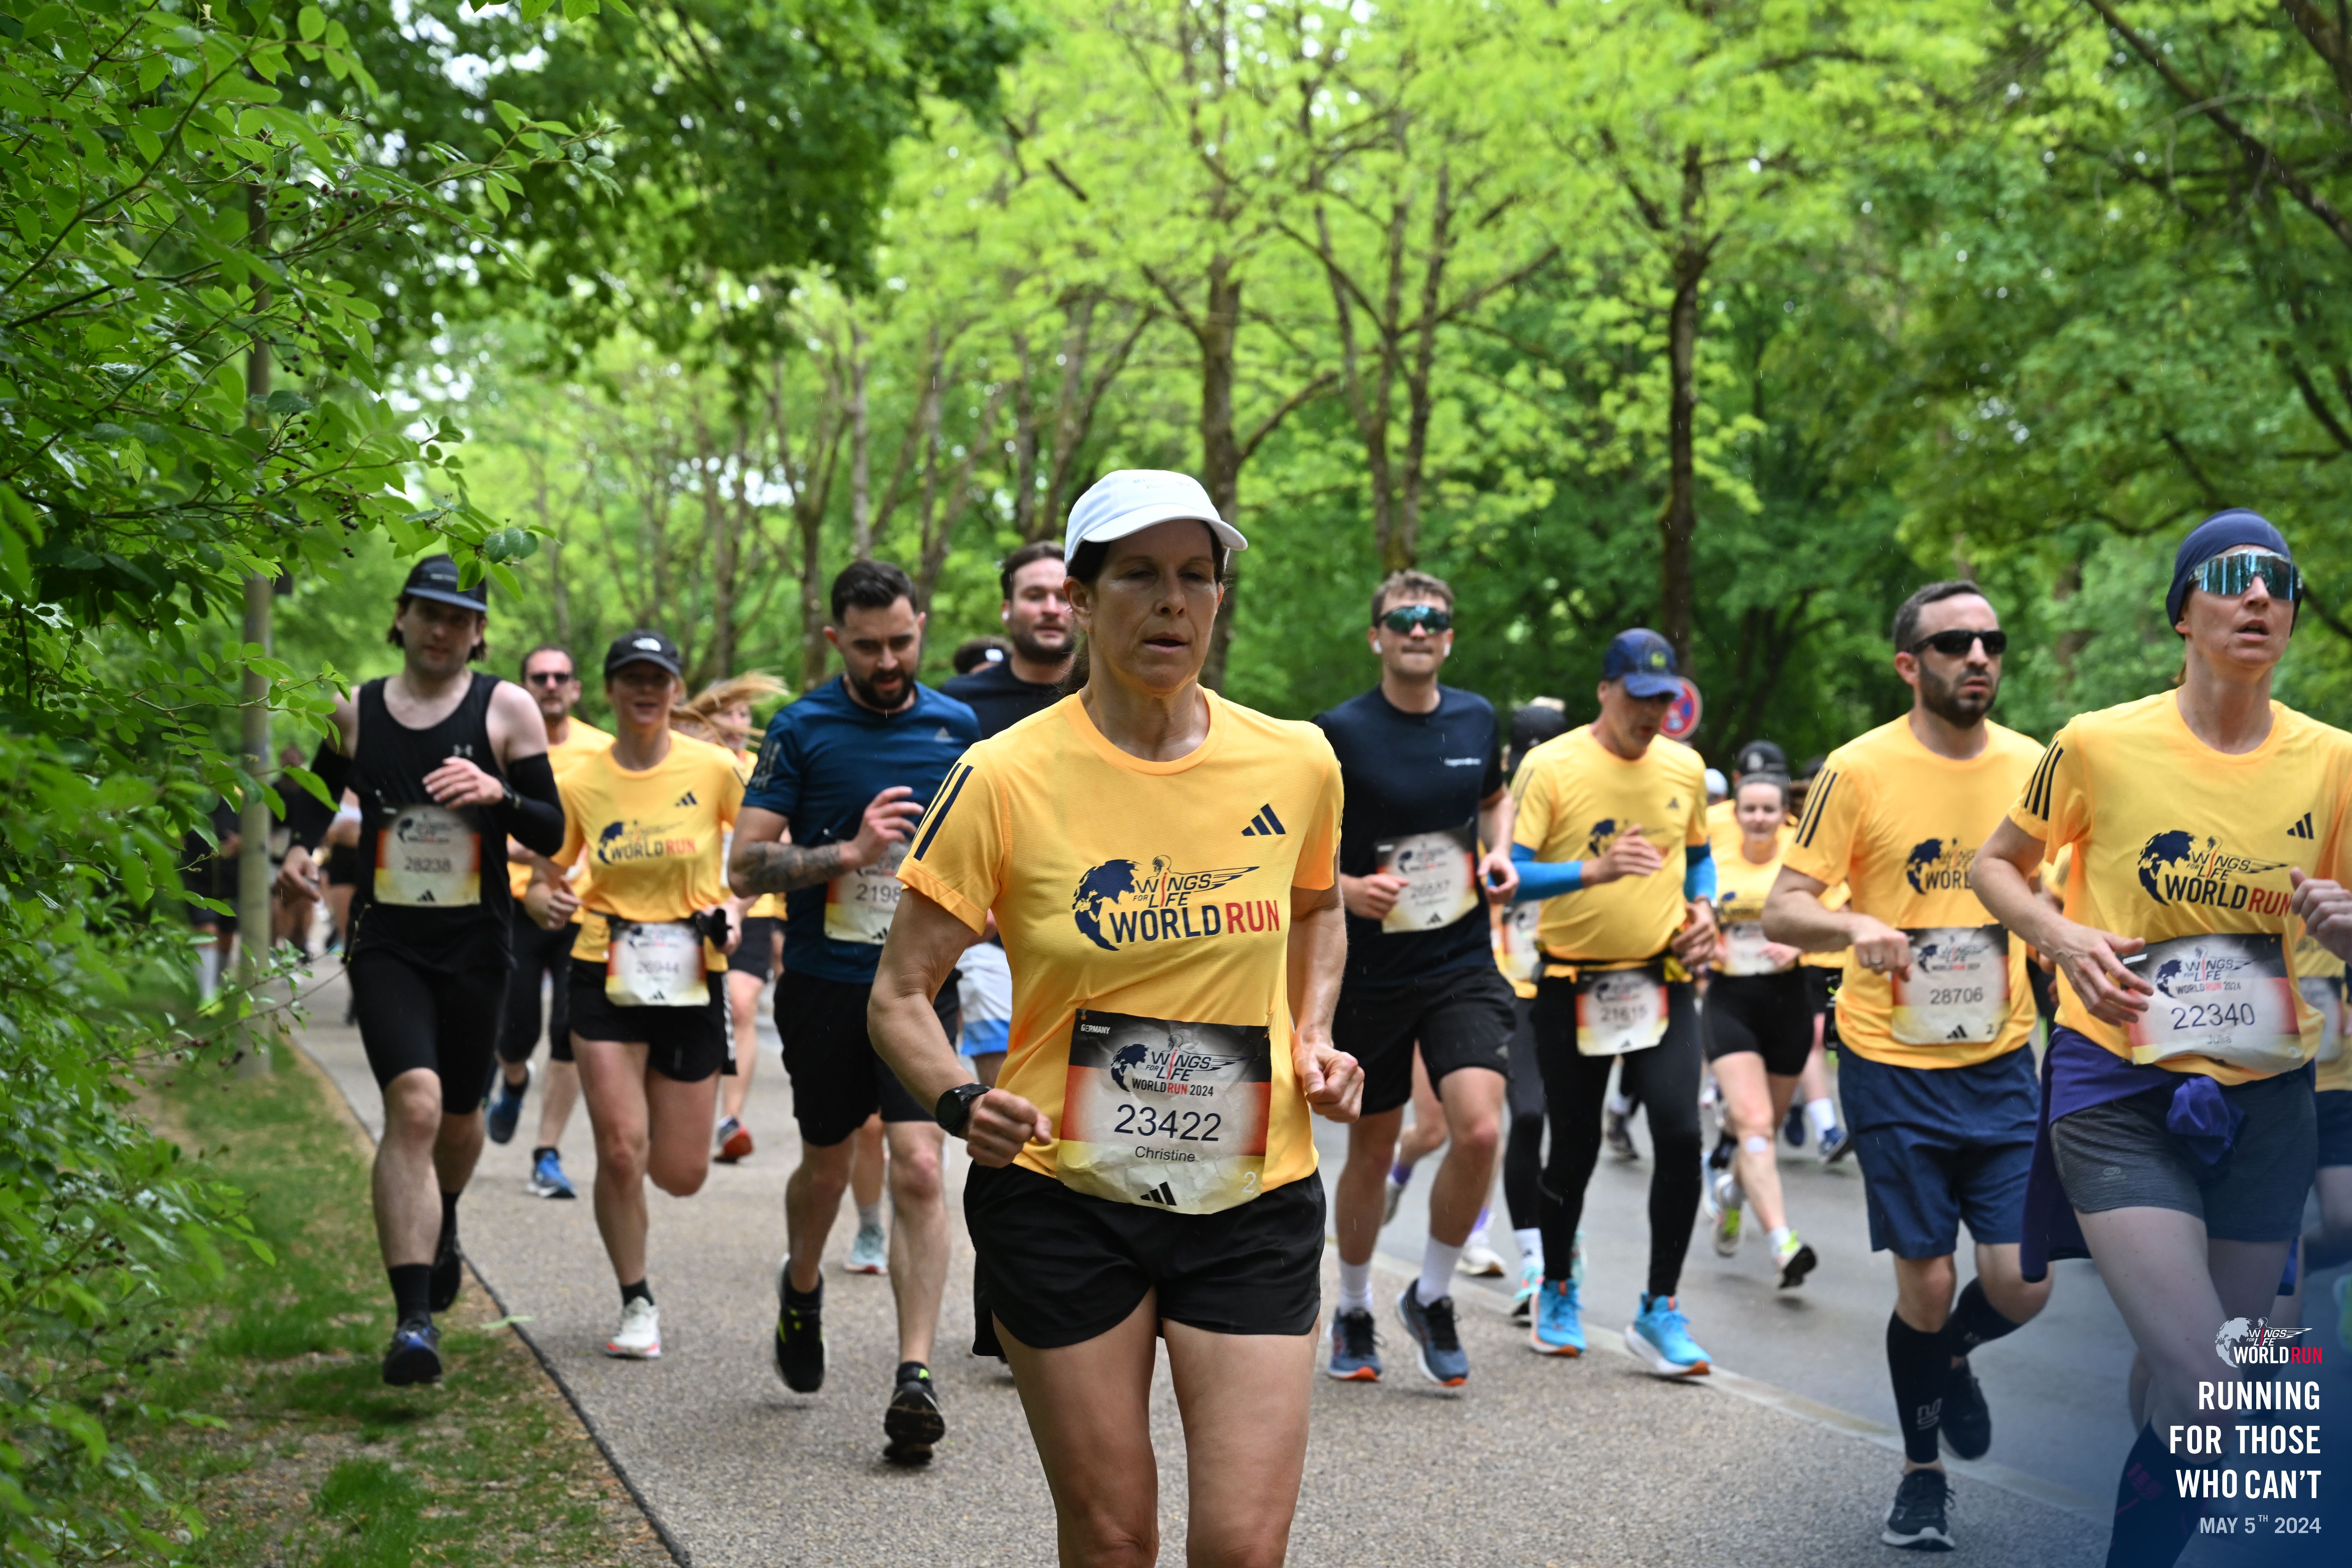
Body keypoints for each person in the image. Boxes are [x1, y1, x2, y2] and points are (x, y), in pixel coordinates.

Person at [870, 468, 1363, 1565]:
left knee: (1242, 1547)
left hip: (1251, 1191)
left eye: (1196, 575)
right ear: (1084, 601)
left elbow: (1318, 908)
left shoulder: (1296, 760)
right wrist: (960, 1101)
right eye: (1139, 574)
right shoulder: (1000, 777)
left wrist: (1314, 1033)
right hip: (1063, 1193)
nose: (1172, 600)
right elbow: (899, 993)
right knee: (1111, 1538)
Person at [1971, 512, 2352, 1566]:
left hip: (2268, 1099)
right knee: (2215, 1394)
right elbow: (1995, 866)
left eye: (2279, 581)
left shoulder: (2334, 762)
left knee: (2188, 1389)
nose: (2260, 596)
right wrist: (2060, 935)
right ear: (2183, 611)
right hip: (2118, 1083)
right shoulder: (2098, 742)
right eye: (2232, 577)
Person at [1763, 579, 2054, 1552]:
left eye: (1990, 642)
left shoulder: (2035, 766)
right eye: (1953, 643)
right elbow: (1782, 908)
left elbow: (2057, 893)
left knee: (2023, 1283)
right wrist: (1853, 925)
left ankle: (1952, 1355)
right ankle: (1921, 1473)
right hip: (1890, 1061)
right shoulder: (1858, 769)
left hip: (2001, 1059)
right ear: (1908, 664)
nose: (1977, 657)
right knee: (1924, 1285)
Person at [276, 555, 563, 1386]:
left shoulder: (506, 709)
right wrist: (297, 849)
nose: (442, 630)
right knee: (415, 1104)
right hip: (387, 944)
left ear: (478, 634)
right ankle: (412, 1322)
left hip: (476, 944)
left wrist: (498, 794)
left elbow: (551, 830)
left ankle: (445, 1219)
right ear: (401, 617)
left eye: (459, 618)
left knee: (460, 1116)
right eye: (429, 613)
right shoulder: (356, 708)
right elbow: (316, 793)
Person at [729, 559, 979, 1463]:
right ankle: (801, 1286)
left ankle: (914, 1375)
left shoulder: (957, 727)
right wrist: (850, 851)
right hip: (827, 985)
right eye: (867, 646)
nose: (887, 661)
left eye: (901, 642)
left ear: (921, 628)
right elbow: (743, 867)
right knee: (829, 1163)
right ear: (836, 639)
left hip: (920, 985)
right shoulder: (801, 728)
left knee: (920, 1165)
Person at [1314, 568, 1517, 1386]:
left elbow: (1494, 799)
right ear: (1377, 637)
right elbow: (1295, 846)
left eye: (1433, 619)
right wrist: (1347, 889)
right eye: (1402, 619)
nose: (1419, 630)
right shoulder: (1338, 733)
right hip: (1371, 970)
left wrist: (1501, 852)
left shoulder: (1475, 716)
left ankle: (1431, 1295)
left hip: (1460, 959)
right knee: (1371, 1150)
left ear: (1449, 638)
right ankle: (1354, 1307)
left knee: (1479, 1130)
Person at [527, 631, 748, 1360]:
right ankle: (635, 1300)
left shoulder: (714, 768)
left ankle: (663, 1142)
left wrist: (736, 909)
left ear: (676, 690)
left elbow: (753, 858)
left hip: (691, 969)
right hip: (604, 964)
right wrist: (546, 903)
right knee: (621, 1149)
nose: (646, 690)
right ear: (611, 690)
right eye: (632, 678)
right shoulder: (581, 781)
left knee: (680, 1174)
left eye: (659, 678)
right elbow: (543, 879)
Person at [1510, 628, 1719, 1375]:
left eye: (1663, 700)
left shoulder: (1684, 766)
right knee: (1574, 1147)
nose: (1650, 714)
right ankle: (1557, 1287)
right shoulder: (1551, 765)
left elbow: (1701, 859)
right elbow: (1509, 875)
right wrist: (1593, 872)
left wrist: (1707, 908)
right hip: (1572, 983)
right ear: (1605, 691)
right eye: (1637, 698)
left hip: (1661, 977)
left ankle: (1659, 1308)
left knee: (1682, 1134)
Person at [485, 644, 614, 1201]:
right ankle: (514, 1079)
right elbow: (486, 824)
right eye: (540, 677)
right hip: (516, 904)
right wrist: (530, 849)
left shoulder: (602, 750)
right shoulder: (502, 747)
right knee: (515, 1031)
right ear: (524, 688)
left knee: (570, 1028)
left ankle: (547, 1153)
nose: (552, 685)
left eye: (562, 676)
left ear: (577, 689)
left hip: (583, 907)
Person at [1701, 772, 1818, 1288]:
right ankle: (1783, 1243)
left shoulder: (1802, 857)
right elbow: (1682, 907)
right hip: (1730, 1003)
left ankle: (1731, 1195)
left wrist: (1800, 942)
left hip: (1788, 1003)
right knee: (1753, 1123)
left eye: (1769, 810)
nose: (1759, 819)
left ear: (1783, 813)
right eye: (1749, 809)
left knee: (1762, 1129)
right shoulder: (1715, 854)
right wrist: (1704, 937)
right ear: (1736, 811)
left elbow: (1836, 912)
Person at [673, 671, 791, 1163]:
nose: (740, 723)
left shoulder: (763, 772)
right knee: (688, 1011)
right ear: (707, 721)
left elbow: (783, 843)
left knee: (741, 1005)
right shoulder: (687, 768)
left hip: (751, 907)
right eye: (729, 714)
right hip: (687, 908)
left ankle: (731, 1119)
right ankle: (683, 1113)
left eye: (745, 714)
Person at [1496, 699, 1568, 1320]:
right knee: (1526, 1117)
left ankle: (1564, 1247)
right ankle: (1533, 1262)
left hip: (1571, 984)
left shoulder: (1577, 808)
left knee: (1572, 1127)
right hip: (1505, 990)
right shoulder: (1488, 817)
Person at [940, 539, 1073, 732]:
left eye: (1063, 598)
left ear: (1083, 607)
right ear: (1006, 611)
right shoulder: (958, 701)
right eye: (1035, 596)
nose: (1051, 610)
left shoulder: (1110, 696)